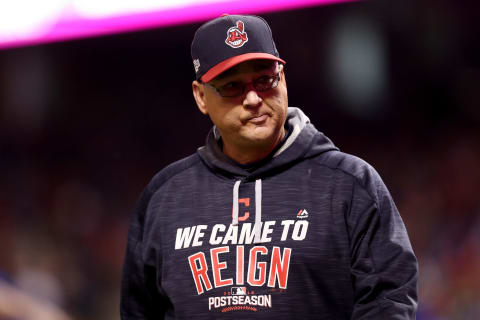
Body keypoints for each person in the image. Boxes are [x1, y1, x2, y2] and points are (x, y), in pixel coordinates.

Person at [120, 14, 418, 319]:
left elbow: (388, 302)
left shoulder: (350, 184)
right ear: (201, 96)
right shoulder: (165, 197)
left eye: (265, 80)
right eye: (232, 86)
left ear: (283, 78)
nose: (252, 98)